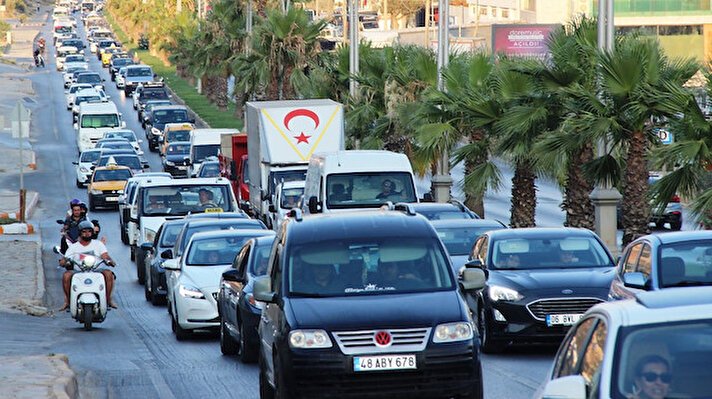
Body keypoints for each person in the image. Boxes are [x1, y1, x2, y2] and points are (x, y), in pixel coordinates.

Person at [59, 221, 117, 310]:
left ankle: (108, 300)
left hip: (96, 270)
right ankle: (68, 301)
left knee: (109, 274)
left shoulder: (98, 244)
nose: (87, 234)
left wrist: (110, 261)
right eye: (84, 231)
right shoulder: (74, 247)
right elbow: (66, 258)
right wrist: (63, 262)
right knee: (66, 276)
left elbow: (105, 255)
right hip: (79, 271)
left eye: (89, 231)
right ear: (80, 233)